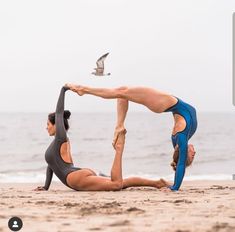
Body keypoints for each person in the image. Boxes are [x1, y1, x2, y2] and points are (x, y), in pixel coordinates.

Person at [65, 84, 197, 191]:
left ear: (184, 153)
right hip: (171, 105)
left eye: (192, 156)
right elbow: (179, 161)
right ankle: (119, 125)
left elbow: (180, 164)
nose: (195, 152)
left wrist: (174, 188)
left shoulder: (181, 137)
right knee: (122, 93)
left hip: (167, 104)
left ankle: (84, 90)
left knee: (122, 92)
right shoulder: (179, 141)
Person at [34, 86, 169, 191]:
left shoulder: (60, 138)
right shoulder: (55, 144)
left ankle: (119, 149)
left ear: (56, 125)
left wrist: (64, 90)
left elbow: (58, 113)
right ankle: (157, 183)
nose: (46, 128)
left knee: (116, 184)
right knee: (121, 183)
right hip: (76, 175)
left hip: (75, 178)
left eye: (48, 124)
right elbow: (51, 165)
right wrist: (46, 186)